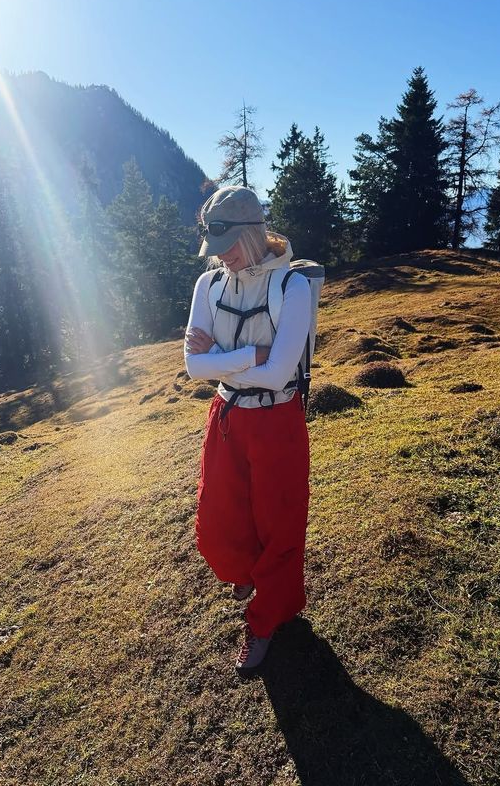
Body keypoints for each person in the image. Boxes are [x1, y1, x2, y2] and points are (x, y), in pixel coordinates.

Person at [184, 185, 312, 674]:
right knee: (219, 514)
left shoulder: (291, 287)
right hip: (227, 417)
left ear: (254, 234)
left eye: (229, 245)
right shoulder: (208, 284)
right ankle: (244, 571)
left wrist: (219, 358)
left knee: (280, 524)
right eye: (215, 247)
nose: (222, 257)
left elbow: (279, 375)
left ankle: (264, 622)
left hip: (277, 420)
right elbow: (193, 367)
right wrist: (248, 357)